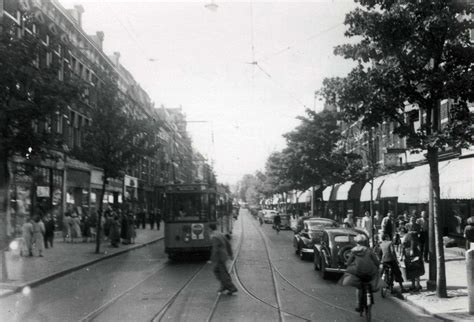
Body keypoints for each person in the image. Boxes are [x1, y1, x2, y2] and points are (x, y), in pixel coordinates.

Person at [340, 234, 380, 312]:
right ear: (364, 242)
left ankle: (358, 304)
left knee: (359, 287)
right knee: (371, 281)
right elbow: (376, 261)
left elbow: (349, 262)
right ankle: (370, 293)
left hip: (359, 272)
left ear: (356, 242)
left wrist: (347, 264)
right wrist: (377, 266)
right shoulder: (369, 250)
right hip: (369, 272)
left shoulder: (354, 251)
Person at [209, 223, 237, 295]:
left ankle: (231, 288)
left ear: (210, 229)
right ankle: (224, 286)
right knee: (222, 271)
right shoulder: (220, 234)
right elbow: (228, 244)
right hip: (223, 256)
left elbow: (215, 249)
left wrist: (212, 259)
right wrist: (230, 254)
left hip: (219, 257)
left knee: (220, 273)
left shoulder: (214, 236)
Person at [401, 226, 425, 292]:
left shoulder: (407, 236)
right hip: (413, 254)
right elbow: (415, 244)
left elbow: (405, 246)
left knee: (413, 271)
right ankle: (416, 285)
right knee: (416, 271)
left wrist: (403, 255)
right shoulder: (412, 235)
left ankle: (414, 285)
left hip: (409, 255)